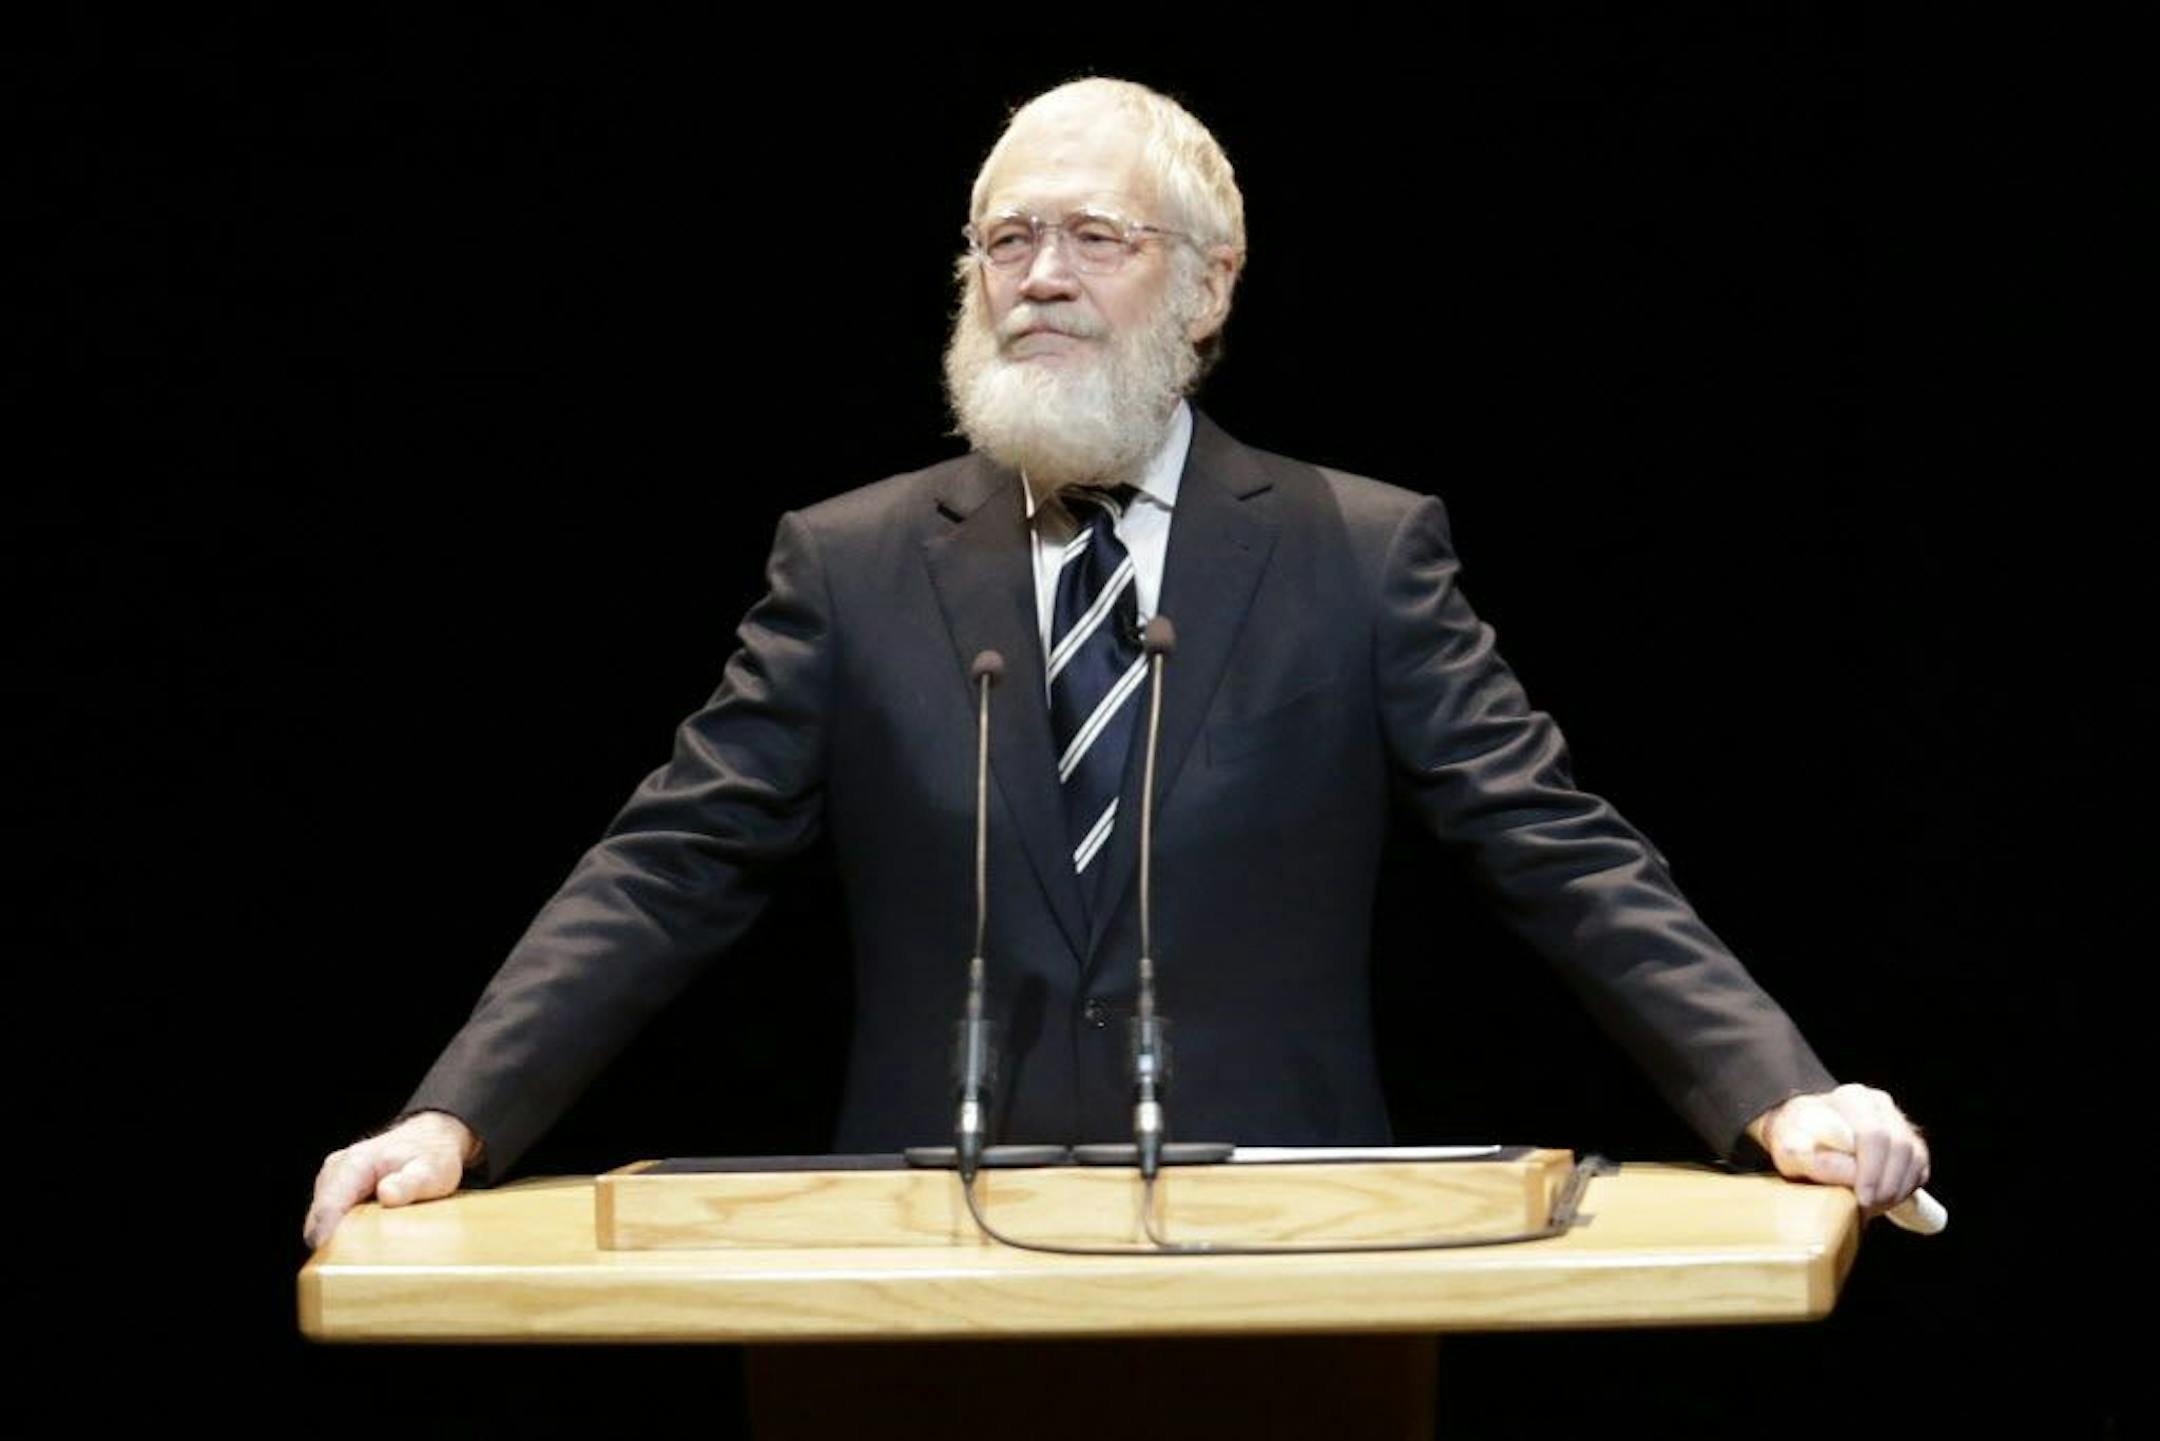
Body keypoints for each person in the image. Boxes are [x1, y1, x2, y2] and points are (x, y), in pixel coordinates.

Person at [305, 78, 1929, 1252]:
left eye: (1092, 234)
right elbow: (668, 863)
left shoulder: (1358, 551)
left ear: (1211, 287)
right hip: (920, 1252)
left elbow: (1554, 844)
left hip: (1287, 1243)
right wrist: (458, 1112)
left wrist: (1772, 1090)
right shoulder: (853, 561)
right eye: (1003, 241)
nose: (1041, 278)